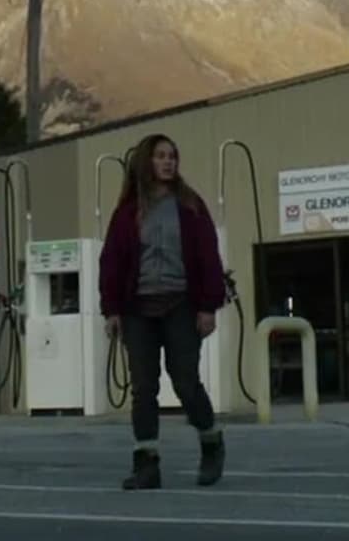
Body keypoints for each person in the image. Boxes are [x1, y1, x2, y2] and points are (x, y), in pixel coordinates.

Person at [98, 132, 227, 490]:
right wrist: (111, 310)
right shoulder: (127, 212)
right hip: (137, 308)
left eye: (172, 156)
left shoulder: (190, 206)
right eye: (160, 156)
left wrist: (208, 306)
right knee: (144, 387)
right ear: (146, 161)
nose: (168, 162)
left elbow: (208, 257)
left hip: (181, 304)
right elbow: (111, 263)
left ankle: (211, 442)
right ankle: (146, 464)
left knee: (184, 380)